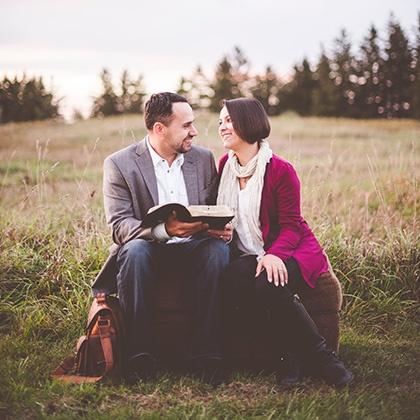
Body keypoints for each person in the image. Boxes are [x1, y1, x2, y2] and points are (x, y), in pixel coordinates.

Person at [91, 92, 230, 384]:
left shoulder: (203, 159)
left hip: (194, 247)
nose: (195, 131)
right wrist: (165, 231)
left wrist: (218, 227)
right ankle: (139, 354)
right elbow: (119, 226)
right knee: (134, 250)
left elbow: (211, 207)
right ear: (159, 129)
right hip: (149, 249)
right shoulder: (120, 164)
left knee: (217, 251)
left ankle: (208, 354)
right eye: (186, 125)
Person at [214, 98, 353, 388]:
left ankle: (318, 359)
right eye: (220, 121)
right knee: (231, 278)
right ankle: (275, 358)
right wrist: (221, 232)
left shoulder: (280, 169)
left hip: (292, 248)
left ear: (248, 123)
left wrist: (274, 255)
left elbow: (291, 225)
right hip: (250, 252)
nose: (222, 127)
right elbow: (226, 216)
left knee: (269, 282)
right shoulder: (225, 165)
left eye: (228, 120)